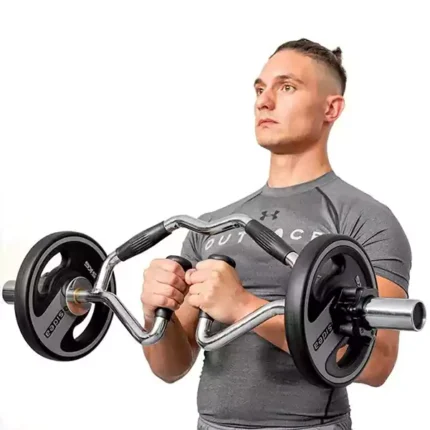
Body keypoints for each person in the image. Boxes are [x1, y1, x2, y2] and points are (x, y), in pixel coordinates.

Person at [140, 38, 412, 430]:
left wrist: (243, 307)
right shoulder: (211, 224)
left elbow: (377, 362)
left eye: (286, 87)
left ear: (331, 108)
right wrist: (157, 314)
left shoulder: (365, 219)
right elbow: (170, 367)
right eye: (259, 89)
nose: (264, 102)